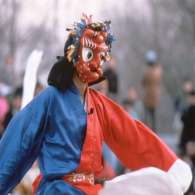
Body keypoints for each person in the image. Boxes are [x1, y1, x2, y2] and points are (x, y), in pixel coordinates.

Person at [0, 15, 192, 195]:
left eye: (101, 56)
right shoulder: (51, 98)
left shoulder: (98, 103)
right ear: (73, 54)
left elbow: (132, 135)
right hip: (57, 189)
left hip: (88, 188)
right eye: (89, 54)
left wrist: (169, 165)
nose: (96, 63)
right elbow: (20, 138)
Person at [142, 50, 162, 131]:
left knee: (148, 114)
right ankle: (153, 131)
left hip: (149, 95)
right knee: (152, 115)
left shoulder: (148, 71)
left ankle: (149, 131)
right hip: (154, 95)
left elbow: (143, 81)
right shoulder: (158, 70)